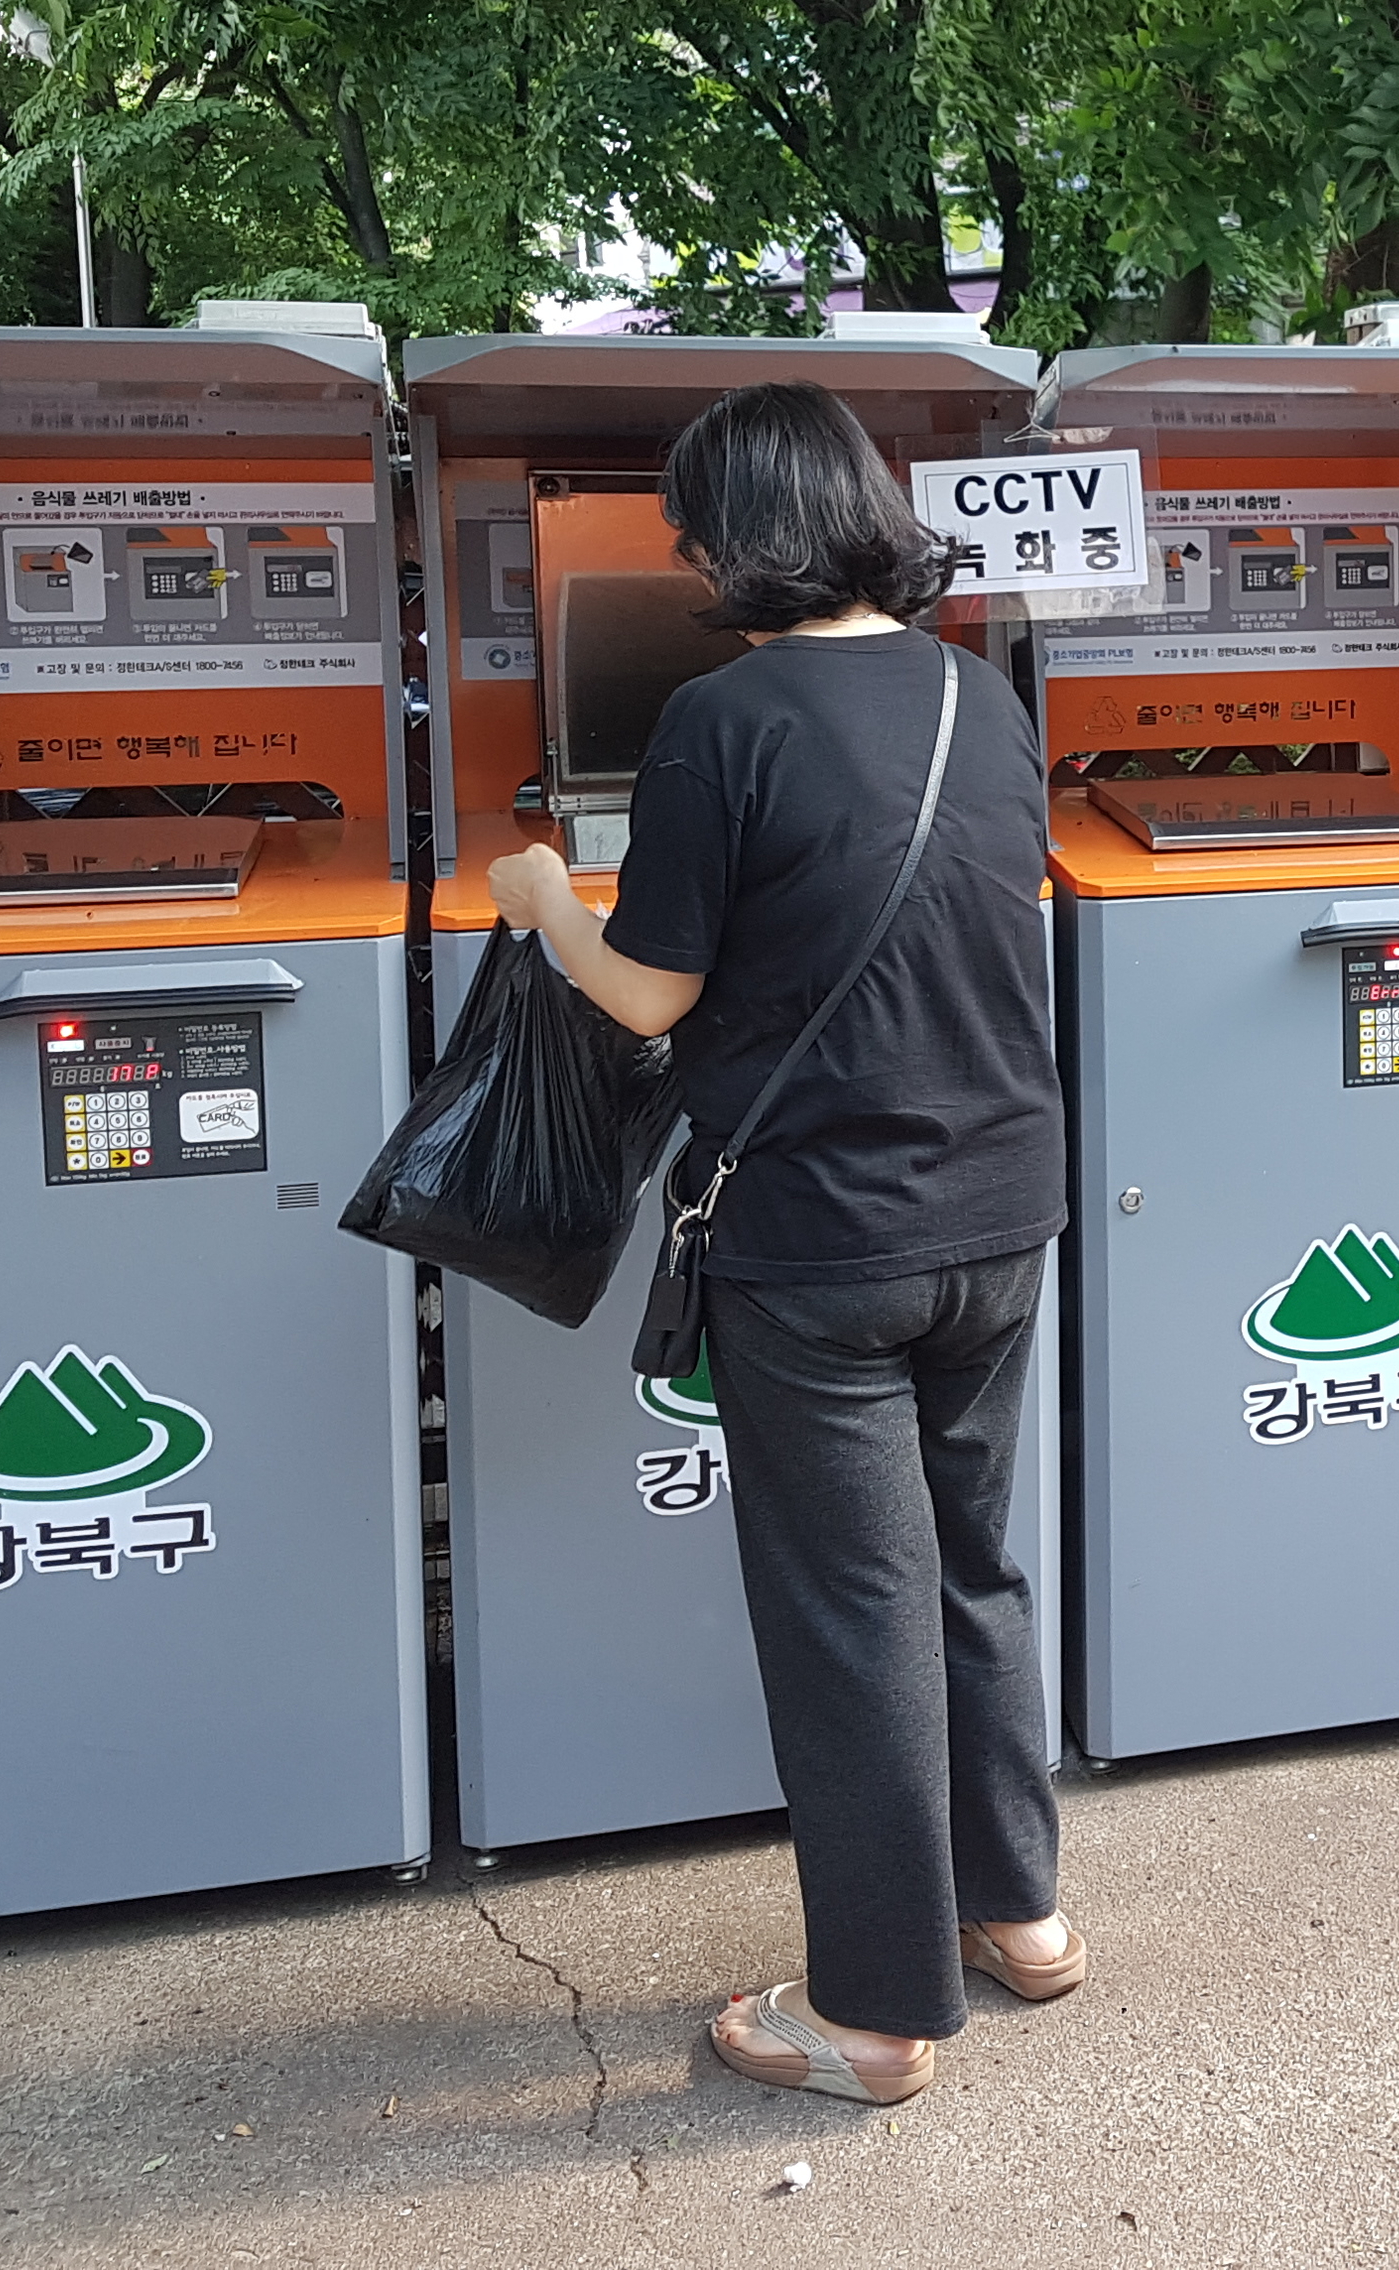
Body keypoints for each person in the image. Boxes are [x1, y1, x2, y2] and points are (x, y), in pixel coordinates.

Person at [489, 380, 1078, 2108]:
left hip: (820, 1236)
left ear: (731, 537)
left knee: (852, 1615)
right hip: (1000, 1208)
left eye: (687, 528)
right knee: (974, 1563)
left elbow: (652, 990)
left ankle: (876, 2014)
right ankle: (1020, 1914)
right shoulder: (982, 695)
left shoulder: (719, 719)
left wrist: (541, 904)